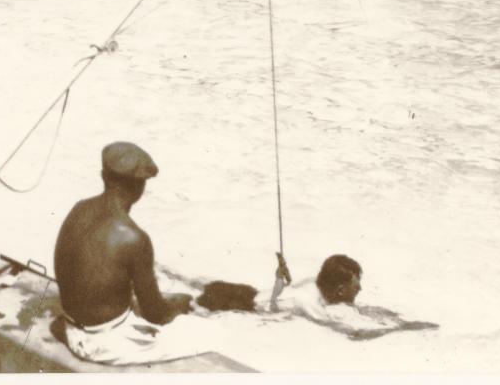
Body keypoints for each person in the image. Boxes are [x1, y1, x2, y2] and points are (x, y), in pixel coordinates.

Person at [53, 142, 199, 365]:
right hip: (102, 344)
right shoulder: (134, 238)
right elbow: (155, 314)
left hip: (70, 327)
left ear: (103, 176)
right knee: (212, 333)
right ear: (140, 188)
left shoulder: (79, 208)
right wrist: (179, 306)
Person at [197, 254, 435, 340]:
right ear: (339, 290)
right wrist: (399, 330)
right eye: (356, 284)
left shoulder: (317, 284)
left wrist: (397, 318)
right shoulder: (307, 302)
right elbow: (350, 333)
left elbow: (358, 309)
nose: (360, 288)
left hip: (248, 292)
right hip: (234, 303)